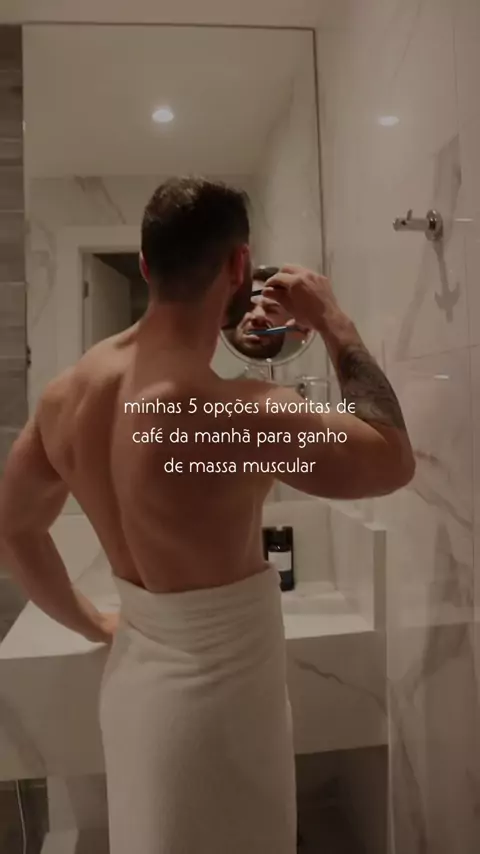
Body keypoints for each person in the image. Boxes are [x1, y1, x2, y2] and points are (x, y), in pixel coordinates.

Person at [0, 177, 415, 854]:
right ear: (238, 264)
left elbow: (13, 531)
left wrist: (96, 622)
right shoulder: (233, 411)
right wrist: (333, 320)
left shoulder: (66, 396)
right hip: (218, 712)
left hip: (135, 689)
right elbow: (391, 459)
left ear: (145, 265)